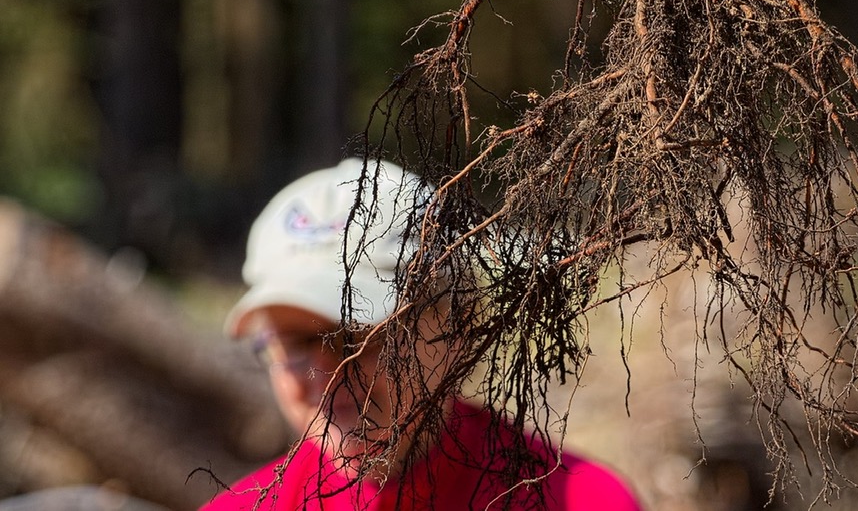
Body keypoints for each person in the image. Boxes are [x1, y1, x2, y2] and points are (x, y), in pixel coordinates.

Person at [201, 158, 642, 510]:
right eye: (294, 344)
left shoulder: (579, 500)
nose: (326, 373)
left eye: (356, 336)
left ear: (460, 325)